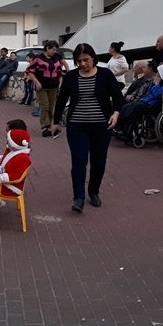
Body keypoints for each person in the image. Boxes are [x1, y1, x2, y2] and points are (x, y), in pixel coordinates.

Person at [51, 43, 123, 213]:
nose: (83, 64)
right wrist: (55, 122)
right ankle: (79, 198)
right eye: (79, 61)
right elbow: (62, 99)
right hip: (77, 126)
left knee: (98, 162)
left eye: (86, 60)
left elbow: (118, 96)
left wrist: (116, 113)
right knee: (79, 161)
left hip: (102, 127)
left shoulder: (105, 74)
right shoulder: (71, 77)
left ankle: (94, 191)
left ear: (93, 58)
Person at [26, 41, 64, 137]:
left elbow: (59, 73)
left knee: (51, 107)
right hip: (41, 87)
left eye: (56, 50)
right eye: (53, 49)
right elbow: (30, 71)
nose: (55, 52)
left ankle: (49, 126)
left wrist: (60, 83)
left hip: (53, 86)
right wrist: (37, 82)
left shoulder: (56, 59)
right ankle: (44, 127)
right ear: (48, 48)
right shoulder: (38, 58)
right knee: (45, 106)